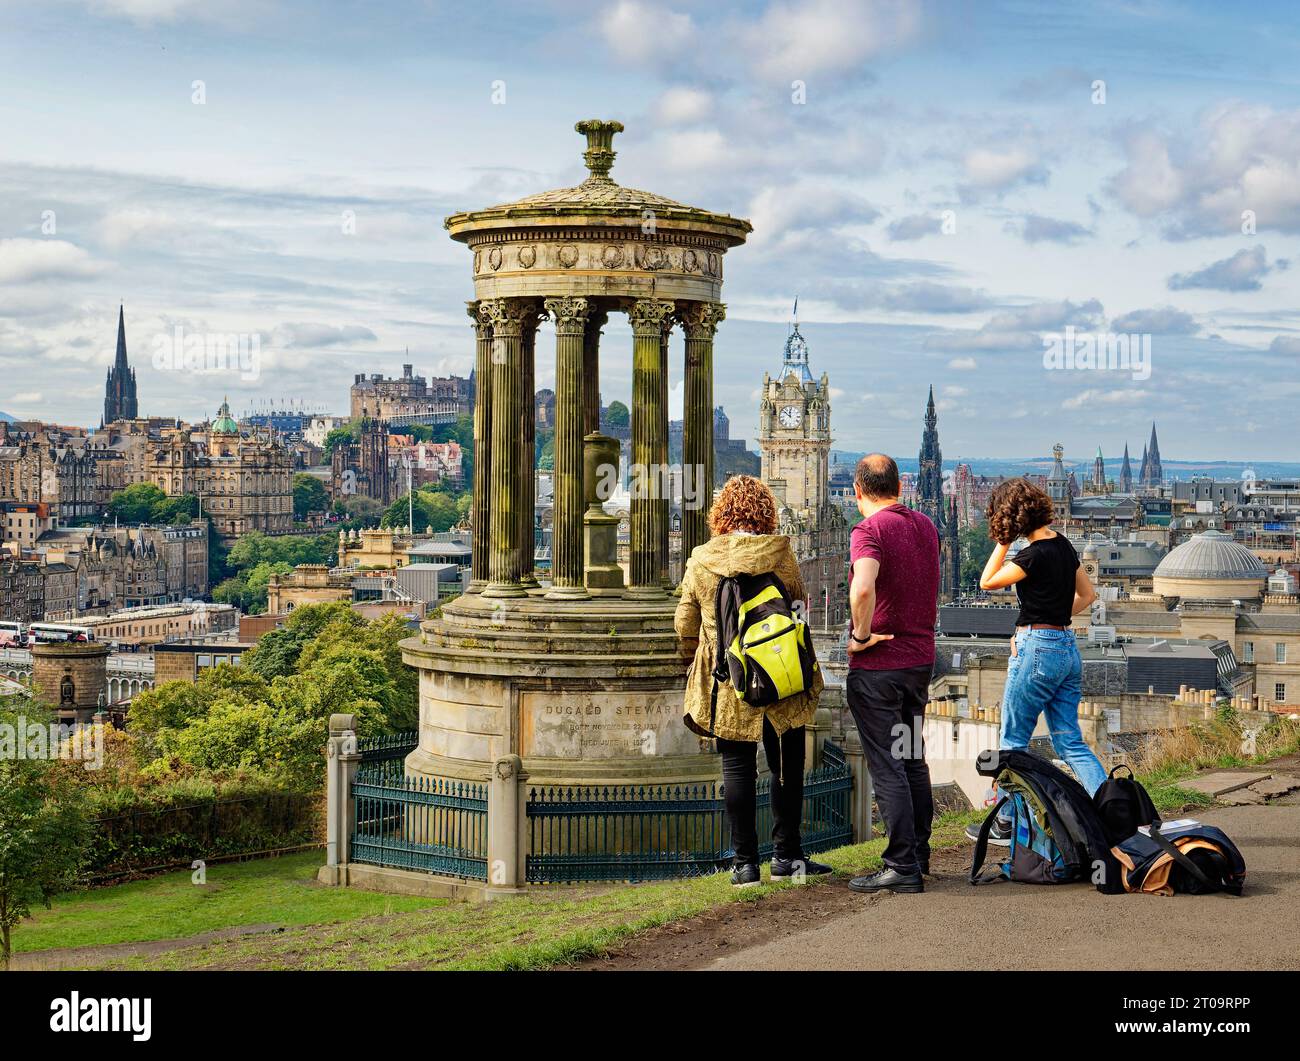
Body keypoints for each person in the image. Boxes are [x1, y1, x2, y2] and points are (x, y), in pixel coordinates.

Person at [675, 474, 829, 887]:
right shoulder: (780, 551)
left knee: (738, 769)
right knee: (786, 768)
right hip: (780, 673)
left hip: (729, 678)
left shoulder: (701, 558)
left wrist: (700, 653)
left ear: (720, 514)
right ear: (765, 511)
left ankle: (745, 866)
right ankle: (787, 858)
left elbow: (684, 622)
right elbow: (798, 602)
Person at [964, 477, 1104, 846]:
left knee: (1013, 743)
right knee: (1071, 742)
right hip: (1067, 646)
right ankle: (1108, 810)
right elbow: (1087, 595)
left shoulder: (1030, 555)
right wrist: (1053, 619)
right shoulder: (1064, 545)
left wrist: (1003, 542)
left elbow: (987, 582)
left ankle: (1006, 821)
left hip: (1038, 648)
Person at [844, 454, 939, 895]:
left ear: (858, 490)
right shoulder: (926, 527)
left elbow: (863, 586)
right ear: (899, 487)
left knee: (887, 766)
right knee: (912, 758)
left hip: (880, 668)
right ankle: (918, 854)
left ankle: (901, 865)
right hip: (920, 662)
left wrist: (860, 636)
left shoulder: (868, 530)